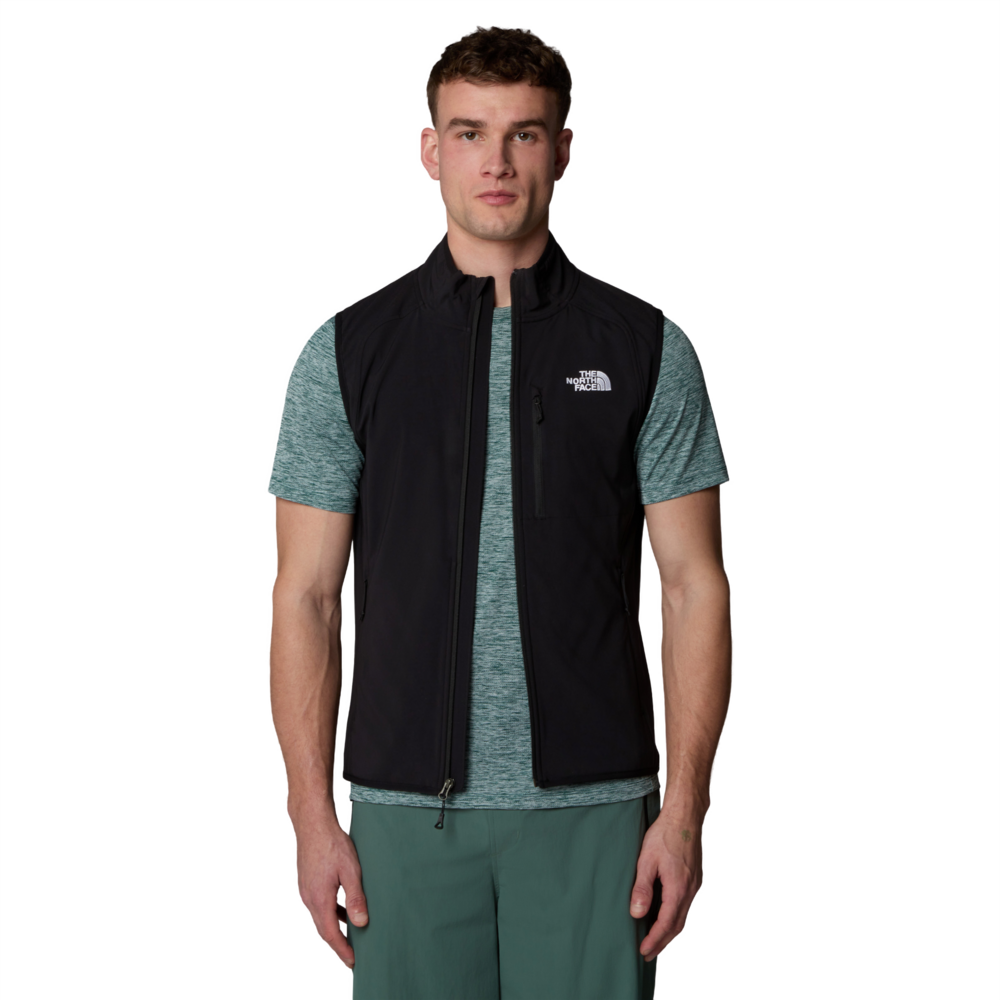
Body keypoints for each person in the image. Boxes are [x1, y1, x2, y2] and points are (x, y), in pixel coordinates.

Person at [265, 23, 734, 1000]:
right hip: (400, 817)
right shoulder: (343, 350)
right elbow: (304, 597)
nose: (497, 161)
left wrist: (684, 815)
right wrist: (311, 819)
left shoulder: (646, 346)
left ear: (562, 152)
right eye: (470, 132)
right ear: (428, 150)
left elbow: (695, 588)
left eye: (524, 133)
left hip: (598, 814)